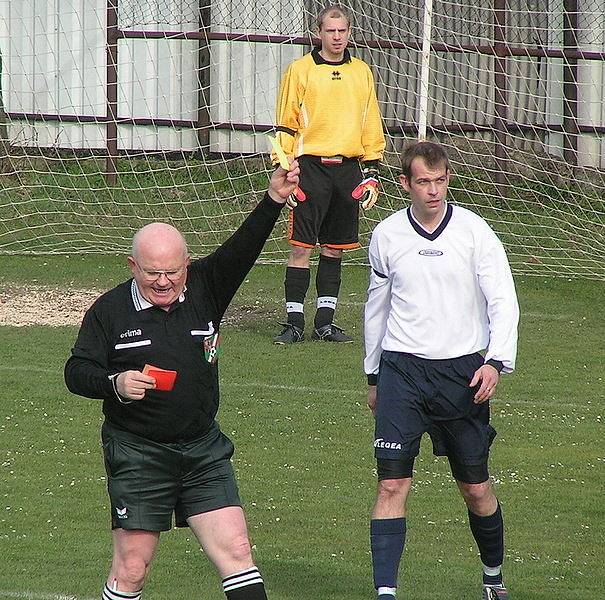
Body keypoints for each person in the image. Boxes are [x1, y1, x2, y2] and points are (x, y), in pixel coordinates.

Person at [64, 162, 300, 600]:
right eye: (152, 273)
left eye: (173, 271)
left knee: (238, 551)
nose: (164, 281)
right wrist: (114, 382)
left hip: (202, 450)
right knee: (132, 569)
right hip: (138, 452)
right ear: (132, 265)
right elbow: (76, 371)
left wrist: (273, 199)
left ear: (186, 264)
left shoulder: (207, 286)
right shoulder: (109, 311)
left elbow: (242, 249)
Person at [363, 141, 519, 600]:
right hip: (402, 372)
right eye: (424, 182)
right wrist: (373, 376)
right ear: (405, 184)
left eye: (441, 180)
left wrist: (495, 361)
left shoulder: (475, 232)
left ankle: (493, 578)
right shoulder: (386, 236)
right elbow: (377, 307)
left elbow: (502, 300)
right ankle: (385, 592)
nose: (434, 191)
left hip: (462, 376)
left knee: (475, 488)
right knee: (391, 482)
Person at [272, 3, 385, 344]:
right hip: (310, 169)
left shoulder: (362, 72)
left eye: (342, 31)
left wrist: (371, 170)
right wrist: (286, 169)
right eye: (330, 31)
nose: (336, 37)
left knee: (335, 248)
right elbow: (285, 123)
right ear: (318, 33)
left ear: (350, 33)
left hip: (348, 171)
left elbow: (370, 122)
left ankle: (324, 323)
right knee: (301, 247)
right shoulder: (300, 70)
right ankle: (293, 322)